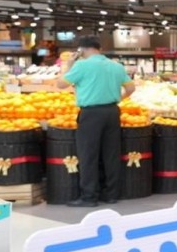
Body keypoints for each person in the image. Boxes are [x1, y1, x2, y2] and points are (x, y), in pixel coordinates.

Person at [57, 36, 135, 207]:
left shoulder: (82, 65)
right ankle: (111, 194)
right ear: (99, 48)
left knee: (88, 155)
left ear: (82, 50)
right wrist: (117, 99)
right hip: (112, 112)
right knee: (111, 154)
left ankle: (89, 197)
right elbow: (131, 88)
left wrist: (68, 66)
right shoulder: (116, 66)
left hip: (91, 114)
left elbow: (61, 84)